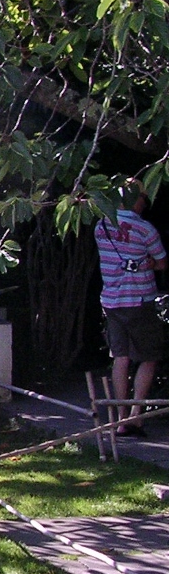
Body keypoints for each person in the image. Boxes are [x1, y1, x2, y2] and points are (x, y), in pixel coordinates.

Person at [95, 181, 167, 436]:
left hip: (111, 301)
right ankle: (137, 415)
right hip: (139, 300)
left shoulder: (101, 225)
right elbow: (162, 262)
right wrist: (148, 263)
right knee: (149, 357)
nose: (144, 204)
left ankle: (120, 417)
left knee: (120, 357)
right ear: (136, 199)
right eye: (143, 199)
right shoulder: (145, 228)